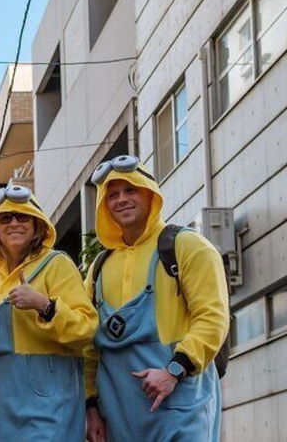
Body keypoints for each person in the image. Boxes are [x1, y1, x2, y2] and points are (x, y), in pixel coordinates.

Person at [84, 155, 229, 442]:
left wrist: (174, 370)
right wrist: (90, 405)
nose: (121, 200)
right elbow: (89, 346)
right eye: (112, 195)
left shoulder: (186, 245)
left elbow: (213, 317)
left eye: (130, 190)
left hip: (181, 404)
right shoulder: (98, 268)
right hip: (119, 414)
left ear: (150, 193)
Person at [0, 184, 97, 441]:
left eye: (22, 216)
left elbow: (88, 328)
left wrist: (44, 305)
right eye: (5, 218)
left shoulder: (55, 264)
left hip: (46, 414)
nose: (13, 223)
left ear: (37, 225)